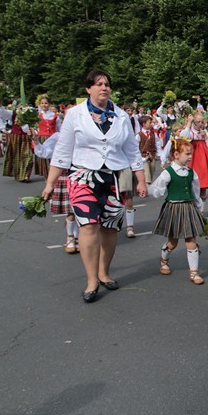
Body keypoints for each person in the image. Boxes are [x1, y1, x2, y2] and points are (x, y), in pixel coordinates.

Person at [42, 69, 147, 303]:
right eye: (98, 84)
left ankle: (104, 272)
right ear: (88, 88)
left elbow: (131, 150)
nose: (104, 88)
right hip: (82, 176)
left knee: (110, 228)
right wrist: (50, 184)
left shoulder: (120, 116)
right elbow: (62, 151)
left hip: (115, 177)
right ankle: (91, 280)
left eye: (107, 84)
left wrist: (140, 179)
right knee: (88, 226)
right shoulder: (74, 115)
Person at [148, 138, 207, 284]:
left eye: (190, 154)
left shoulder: (191, 173)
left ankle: (194, 272)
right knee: (172, 242)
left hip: (188, 207)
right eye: (187, 154)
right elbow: (157, 188)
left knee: (191, 239)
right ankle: (164, 260)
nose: (190, 157)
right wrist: (153, 191)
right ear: (176, 154)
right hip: (174, 208)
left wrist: (199, 206)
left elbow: (195, 191)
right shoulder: (168, 172)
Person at [34, 132, 79, 254]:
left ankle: (77, 236)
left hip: (83, 173)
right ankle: (71, 237)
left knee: (81, 208)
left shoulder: (87, 132)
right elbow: (44, 152)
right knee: (71, 209)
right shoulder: (59, 136)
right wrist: (36, 142)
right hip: (66, 173)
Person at [180, 112, 208, 212]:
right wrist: (188, 123)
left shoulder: (205, 132)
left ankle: (200, 211)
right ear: (194, 122)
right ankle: (192, 209)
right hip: (192, 160)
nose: (200, 124)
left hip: (203, 161)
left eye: (202, 122)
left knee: (203, 186)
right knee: (192, 184)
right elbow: (183, 137)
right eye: (198, 122)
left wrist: (206, 137)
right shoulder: (190, 131)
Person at [34, 94, 61, 178]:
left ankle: (53, 177)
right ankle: (47, 178)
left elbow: (59, 128)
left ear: (49, 104)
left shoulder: (55, 116)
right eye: (42, 103)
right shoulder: (37, 115)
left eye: (46, 103)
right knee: (44, 159)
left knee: (53, 159)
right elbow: (35, 128)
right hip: (42, 138)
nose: (44, 105)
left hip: (53, 139)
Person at [137, 115, 163, 184]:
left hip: (152, 156)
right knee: (146, 173)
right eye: (150, 122)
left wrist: (160, 155)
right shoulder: (139, 135)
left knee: (151, 172)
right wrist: (140, 158)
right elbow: (136, 148)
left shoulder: (153, 133)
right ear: (144, 124)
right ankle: (146, 186)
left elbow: (157, 144)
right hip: (143, 158)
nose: (151, 123)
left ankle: (148, 184)